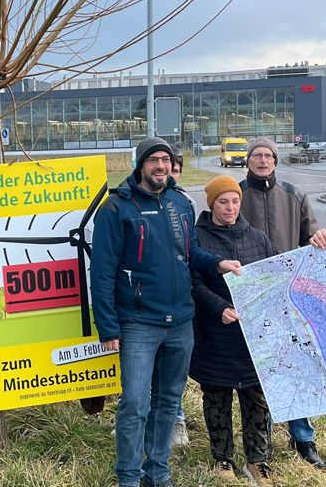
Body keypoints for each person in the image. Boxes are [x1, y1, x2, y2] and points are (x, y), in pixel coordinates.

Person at [92, 137, 241, 487]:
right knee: (134, 405)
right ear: (141, 165)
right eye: (154, 160)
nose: (161, 166)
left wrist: (217, 263)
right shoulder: (117, 209)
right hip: (139, 323)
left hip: (180, 323)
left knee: (167, 402)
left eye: (166, 160)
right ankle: (128, 477)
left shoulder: (179, 203)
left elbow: (189, 254)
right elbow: (101, 273)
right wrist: (108, 328)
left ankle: (157, 473)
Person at [239, 136, 326, 469]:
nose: (262, 160)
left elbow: (313, 236)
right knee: (260, 373)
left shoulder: (295, 197)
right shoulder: (236, 196)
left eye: (268, 155)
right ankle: (260, 437)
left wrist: (320, 238)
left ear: (276, 162)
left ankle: (303, 436)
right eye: (256, 155)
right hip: (251, 299)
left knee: (297, 368)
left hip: (290, 298)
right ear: (248, 161)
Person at [191, 175, 276, 485]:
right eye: (223, 201)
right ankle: (222, 458)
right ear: (212, 203)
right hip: (215, 335)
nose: (229, 207)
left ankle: (257, 461)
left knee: (256, 400)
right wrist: (219, 308)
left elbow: (273, 275)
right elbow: (194, 282)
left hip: (253, 338)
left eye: (235, 200)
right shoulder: (198, 238)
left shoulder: (257, 237)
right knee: (216, 398)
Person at [168, 147, 192, 449]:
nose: (171, 173)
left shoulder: (185, 202)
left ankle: (178, 420)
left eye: (176, 169)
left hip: (179, 299)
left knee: (175, 373)